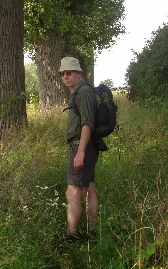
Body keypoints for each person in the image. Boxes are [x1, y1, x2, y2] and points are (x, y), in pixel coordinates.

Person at [58, 56, 99, 238]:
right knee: (87, 188)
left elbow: (87, 124)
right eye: (63, 73)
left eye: (69, 73)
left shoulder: (83, 92)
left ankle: (71, 235)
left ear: (79, 74)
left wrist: (80, 152)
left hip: (82, 146)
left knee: (73, 190)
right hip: (85, 146)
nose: (65, 76)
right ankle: (93, 230)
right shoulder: (78, 91)